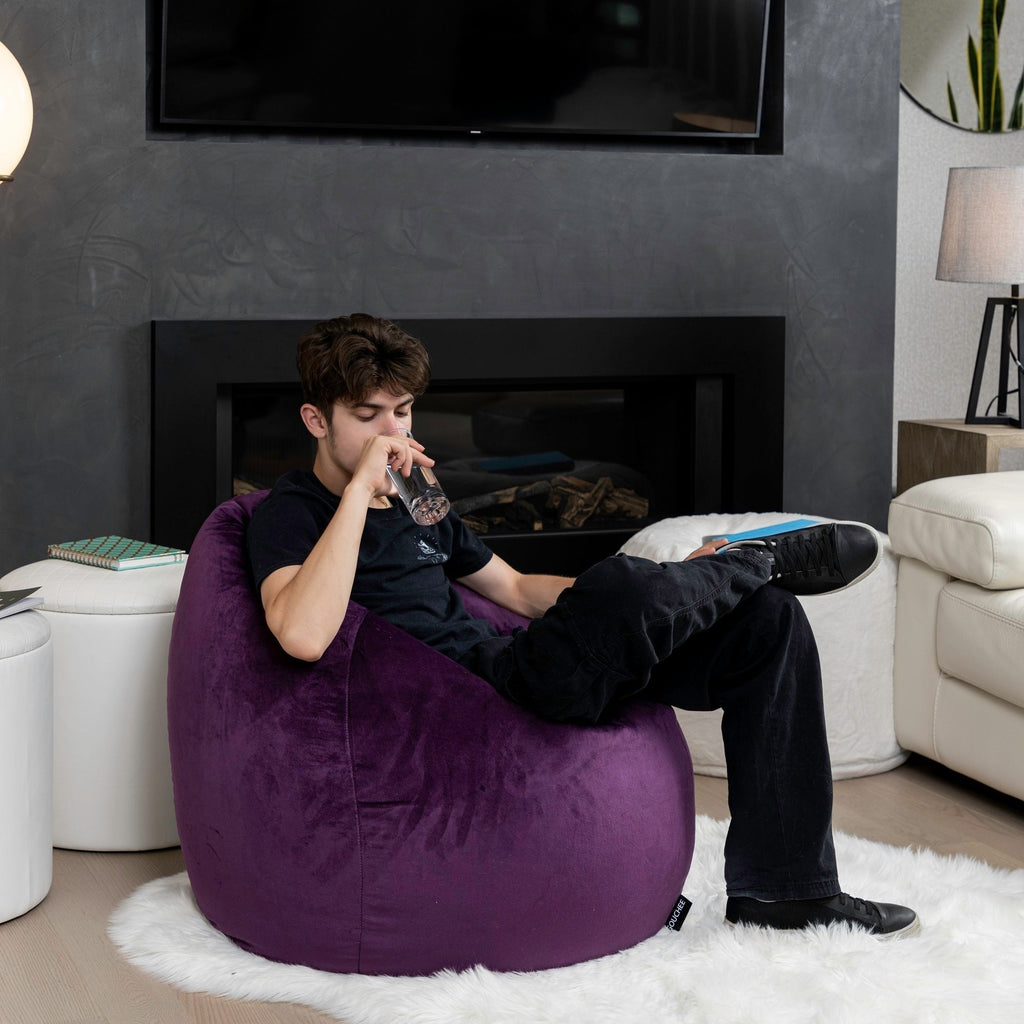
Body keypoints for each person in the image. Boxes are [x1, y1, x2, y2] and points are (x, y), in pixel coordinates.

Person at [246, 313, 920, 939]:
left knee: (769, 621)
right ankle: (757, 561)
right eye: (367, 417)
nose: (392, 434)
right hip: (479, 697)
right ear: (315, 419)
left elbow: (511, 586)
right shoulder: (289, 513)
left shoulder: (420, 502)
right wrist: (361, 492)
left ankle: (786, 892)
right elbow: (302, 634)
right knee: (633, 586)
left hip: (528, 659)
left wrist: (654, 589)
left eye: (403, 411)